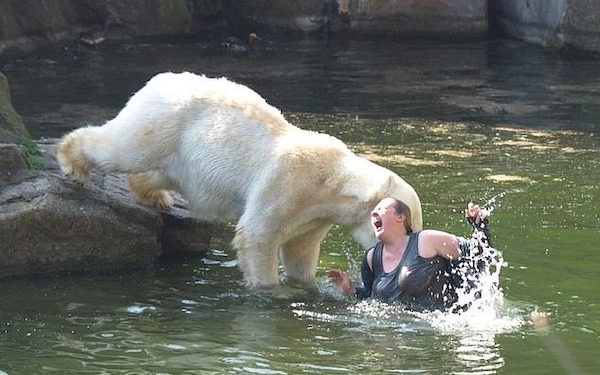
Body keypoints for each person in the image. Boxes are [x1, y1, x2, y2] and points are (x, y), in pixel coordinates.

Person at [328, 197, 493, 312]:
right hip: (397, 335)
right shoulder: (372, 258)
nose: (373, 214)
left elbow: (478, 256)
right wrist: (350, 290)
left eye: (381, 208)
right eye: (373, 212)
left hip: (439, 331)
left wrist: (480, 227)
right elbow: (371, 299)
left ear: (401, 217)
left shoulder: (427, 240)